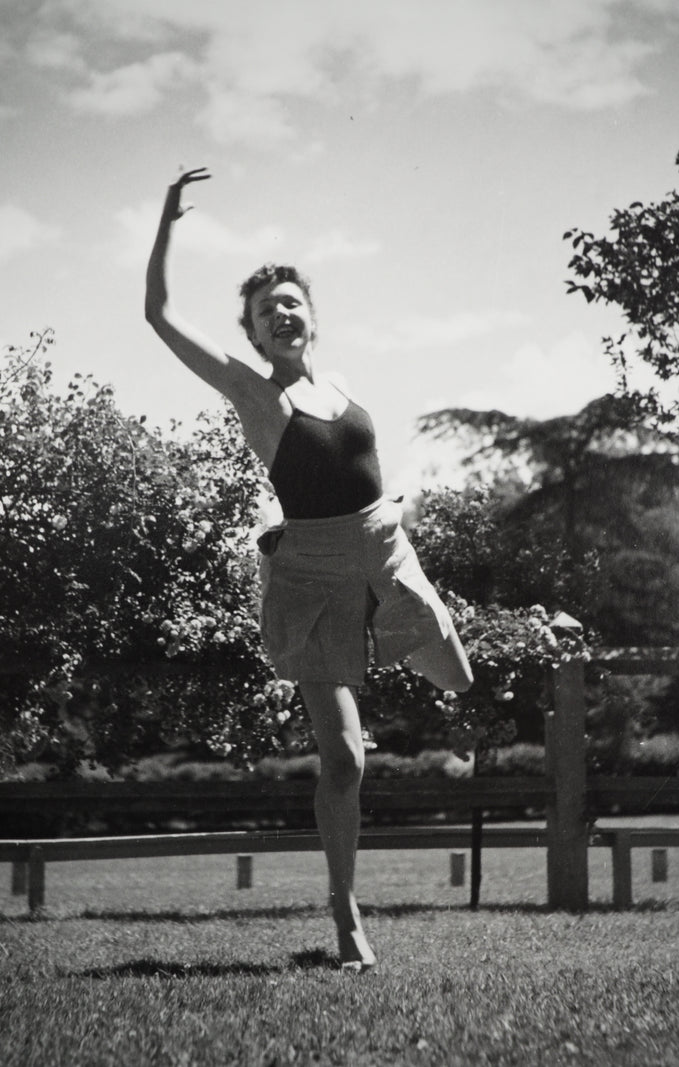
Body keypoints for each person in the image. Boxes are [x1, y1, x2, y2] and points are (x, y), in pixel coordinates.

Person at [145, 167, 473, 972]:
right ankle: (345, 911)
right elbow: (157, 314)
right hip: (316, 575)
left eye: (291, 302)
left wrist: (394, 505)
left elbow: (364, 469)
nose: (280, 314)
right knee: (346, 760)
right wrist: (166, 222)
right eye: (265, 312)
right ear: (253, 336)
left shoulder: (346, 385)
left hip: (385, 547)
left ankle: (438, 701)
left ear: (311, 317)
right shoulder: (255, 394)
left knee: (459, 678)